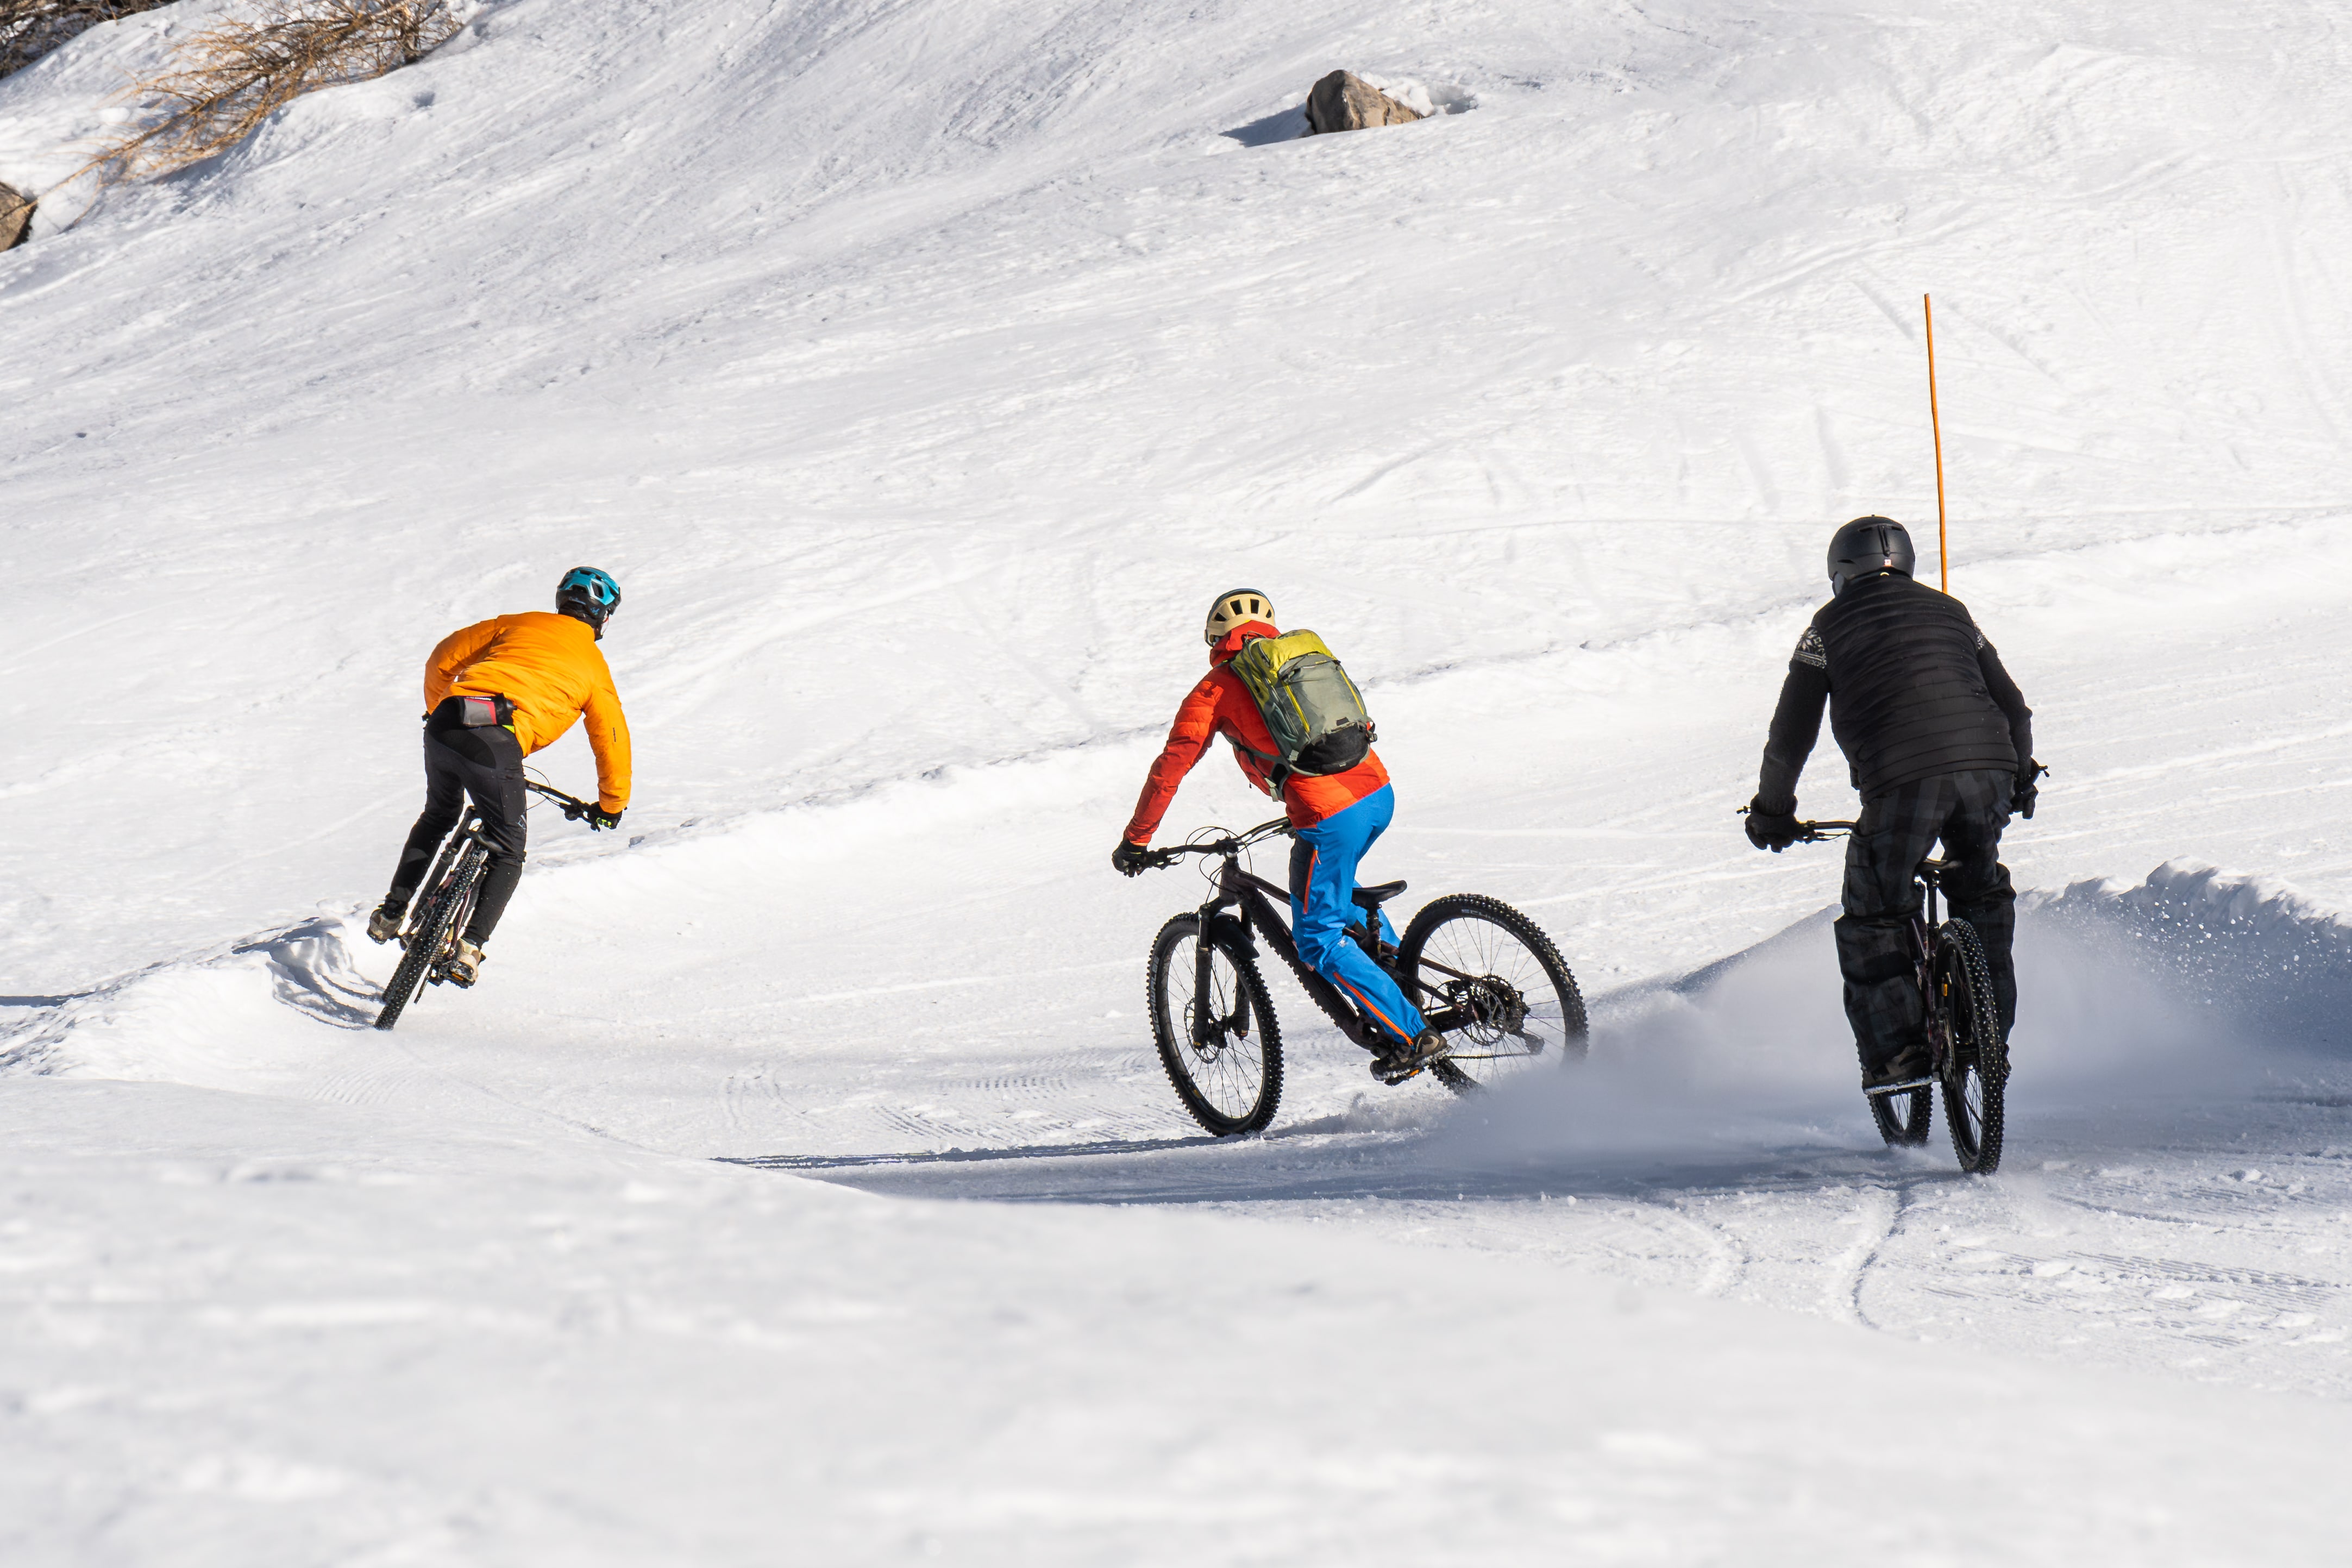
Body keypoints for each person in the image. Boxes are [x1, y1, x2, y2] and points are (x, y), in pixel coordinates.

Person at [1743, 518, 2042, 1091]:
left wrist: (1773, 811)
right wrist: (2022, 777)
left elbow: (1789, 738)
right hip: (1990, 772)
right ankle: (1989, 1038)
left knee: (1875, 914)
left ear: (1840, 574)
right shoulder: (1952, 612)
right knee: (1980, 894)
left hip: (1904, 784)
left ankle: (1899, 1059)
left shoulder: (1824, 629)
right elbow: (2016, 710)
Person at [1113, 589, 1446, 1077]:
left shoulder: (1217, 688)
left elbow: (1170, 769)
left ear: (1215, 638)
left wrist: (1136, 840)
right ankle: (1397, 976)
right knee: (1328, 893)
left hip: (1328, 815)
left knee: (1316, 939)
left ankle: (1413, 1036)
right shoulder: (1304, 656)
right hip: (1377, 792)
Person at [365, 567, 632, 986]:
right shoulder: (594, 669)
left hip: (448, 722)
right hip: (496, 742)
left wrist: (436, 706)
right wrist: (610, 805)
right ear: (603, 617)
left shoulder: (515, 624)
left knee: (439, 814)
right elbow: (611, 738)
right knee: (509, 848)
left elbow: (443, 657)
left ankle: (390, 913)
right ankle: (469, 949)